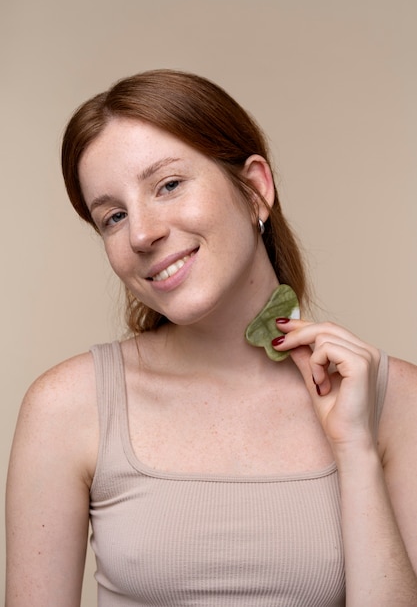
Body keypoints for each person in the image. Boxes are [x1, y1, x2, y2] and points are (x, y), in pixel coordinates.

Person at [5, 69, 417, 607]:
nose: (141, 233)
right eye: (112, 216)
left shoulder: (398, 402)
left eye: (169, 185)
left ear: (254, 189)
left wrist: (355, 449)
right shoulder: (67, 406)